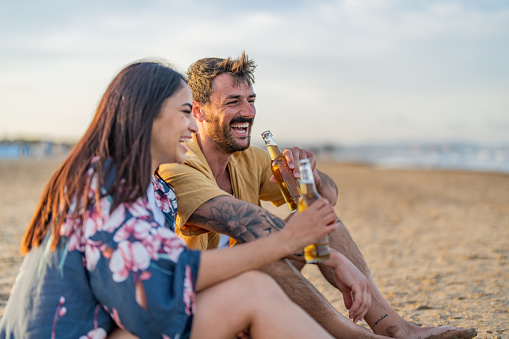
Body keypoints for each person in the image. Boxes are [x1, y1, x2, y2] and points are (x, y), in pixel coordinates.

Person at [0, 60, 370, 339]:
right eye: (184, 113)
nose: (194, 127)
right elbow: (153, 294)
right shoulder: (104, 183)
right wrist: (291, 243)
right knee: (250, 291)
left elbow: (172, 267)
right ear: (145, 115)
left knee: (249, 288)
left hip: (112, 327)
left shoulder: (154, 191)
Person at [158, 52, 478, 339]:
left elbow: (327, 197)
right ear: (197, 111)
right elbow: (249, 227)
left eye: (251, 99)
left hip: (243, 284)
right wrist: (333, 259)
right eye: (233, 102)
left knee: (325, 220)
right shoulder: (179, 165)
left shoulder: (248, 159)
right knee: (263, 257)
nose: (248, 111)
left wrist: (309, 173)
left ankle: (397, 329)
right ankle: (358, 337)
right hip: (194, 299)